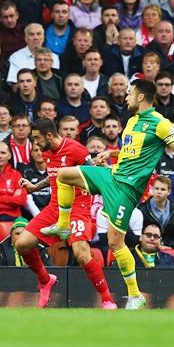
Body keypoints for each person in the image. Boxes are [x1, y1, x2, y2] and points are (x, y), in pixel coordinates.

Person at [52, 79, 174, 309]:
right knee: (63, 175)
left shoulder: (160, 123)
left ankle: (135, 295)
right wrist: (112, 152)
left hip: (126, 189)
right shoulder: (132, 121)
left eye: (130, 93)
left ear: (141, 97)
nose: (126, 97)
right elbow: (130, 151)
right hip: (111, 175)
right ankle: (63, 224)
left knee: (116, 242)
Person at [16, 118, 116, 309]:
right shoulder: (47, 152)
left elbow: (93, 175)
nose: (35, 143)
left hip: (78, 207)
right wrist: (35, 187)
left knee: (81, 253)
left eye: (37, 138)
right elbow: (54, 175)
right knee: (21, 244)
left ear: (49, 135)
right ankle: (45, 280)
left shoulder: (76, 150)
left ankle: (107, 299)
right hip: (55, 207)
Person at [137, 176, 174, 249]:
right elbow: (140, 234)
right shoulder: (142, 209)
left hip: (170, 249)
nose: (159, 192)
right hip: (147, 248)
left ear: (169, 192)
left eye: (163, 189)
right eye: (156, 188)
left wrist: (168, 247)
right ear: (152, 189)